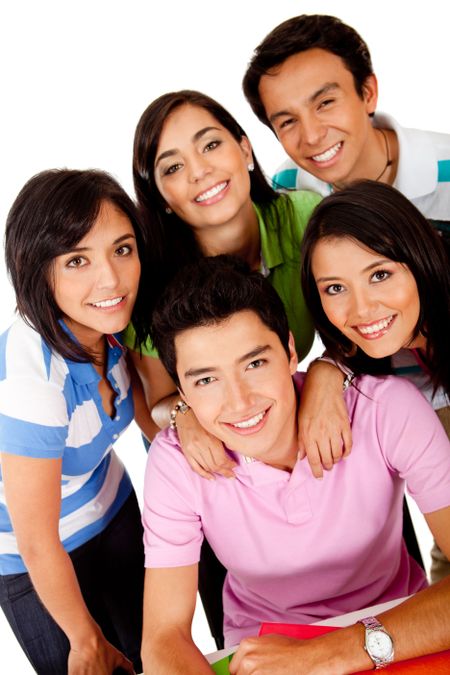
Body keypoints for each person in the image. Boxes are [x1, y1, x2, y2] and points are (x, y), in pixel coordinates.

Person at [141, 255, 450, 675]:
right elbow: (162, 637)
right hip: (264, 653)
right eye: (206, 380)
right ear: (182, 393)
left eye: (254, 364)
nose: (240, 402)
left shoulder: (385, 408)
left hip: (399, 630)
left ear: (289, 351)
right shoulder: (175, 462)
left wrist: (328, 653)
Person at [127, 89, 349, 478]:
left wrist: (327, 372)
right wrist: (184, 418)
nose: (199, 172)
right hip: (216, 454)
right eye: (172, 168)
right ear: (160, 196)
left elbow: (358, 322)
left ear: (245, 150)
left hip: (286, 420)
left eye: (210, 145)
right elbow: (155, 401)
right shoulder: (151, 283)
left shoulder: (307, 219)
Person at [0, 169, 150, 674]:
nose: (110, 279)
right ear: (38, 271)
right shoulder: (32, 379)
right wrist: (85, 639)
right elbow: (36, 541)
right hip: (30, 557)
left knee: (151, 658)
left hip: (111, 507)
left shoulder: (120, 324)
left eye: (122, 249)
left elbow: (153, 412)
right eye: (77, 260)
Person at [300, 179, 450, 584]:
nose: (362, 309)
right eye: (335, 288)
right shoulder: (383, 353)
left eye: (380, 274)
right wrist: (325, 371)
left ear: (419, 258)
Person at [242, 14, 450, 240]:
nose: (312, 137)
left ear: (368, 93)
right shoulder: (287, 186)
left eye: (325, 103)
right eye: (288, 121)